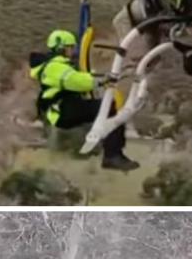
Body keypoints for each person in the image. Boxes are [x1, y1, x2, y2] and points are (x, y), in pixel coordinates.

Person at [30, 30, 140, 171]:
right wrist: (101, 80)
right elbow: (75, 81)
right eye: (69, 47)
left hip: (65, 108)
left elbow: (79, 78)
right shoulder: (53, 67)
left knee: (107, 108)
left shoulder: (58, 65)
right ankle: (112, 155)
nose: (72, 51)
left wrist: (101, 78)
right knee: (109, 109)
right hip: (62, 110)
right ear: (60, 48)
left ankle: (111, 149)